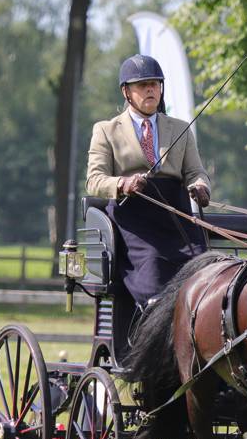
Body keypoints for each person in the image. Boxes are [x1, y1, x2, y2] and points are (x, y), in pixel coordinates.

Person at [86, 54, 212, 310]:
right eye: (142, 85)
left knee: (205, 270)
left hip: (176, 216)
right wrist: (123, 184)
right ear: (126, 92)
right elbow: (94, 180)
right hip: (134, 220)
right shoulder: (106, 130)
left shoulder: (180, 129)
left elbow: (196, 171)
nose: (150, 90)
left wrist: (201, 186)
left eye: (155, 84)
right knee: (153, 267)